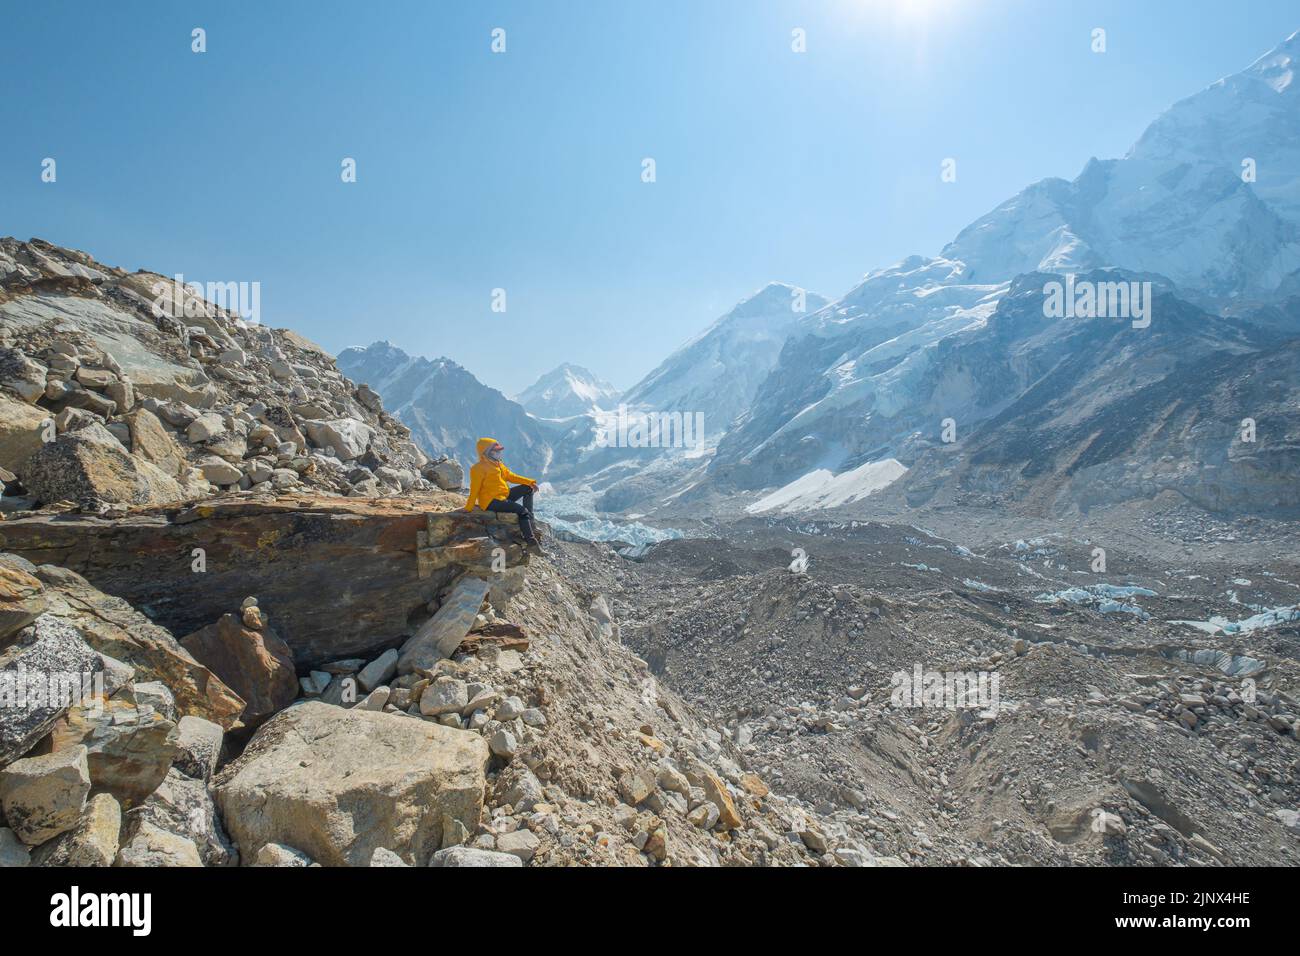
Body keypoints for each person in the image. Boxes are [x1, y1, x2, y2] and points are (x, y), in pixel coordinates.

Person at [465, 437, 542, 549]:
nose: (499, 452)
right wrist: (468, 507)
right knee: (522, 511)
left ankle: (530, 519)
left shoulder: (498, 464)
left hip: (502, 497)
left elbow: (511, 476)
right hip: (491, 502)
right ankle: (531, 542)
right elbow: (474, 489)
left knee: (528, 488)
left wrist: (530, 482)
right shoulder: (477, 469)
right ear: (487, 452)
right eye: (496, 450)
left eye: (499, 450)